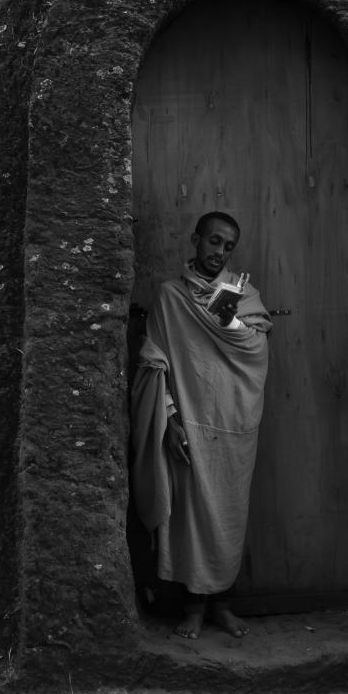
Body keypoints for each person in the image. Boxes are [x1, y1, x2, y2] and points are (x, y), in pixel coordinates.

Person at [129, 212, 272, 639]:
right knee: (190, 518)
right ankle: (193, 607)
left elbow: (257, 350)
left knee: (228, 515)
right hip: (189, 422)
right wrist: (171, 420)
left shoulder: (243, 295)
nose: (220, 252)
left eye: (228, 247)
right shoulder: (171, 297)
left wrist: (227, 316)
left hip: (233, 425)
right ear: (196, 240)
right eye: (214, 241)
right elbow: (156, 360)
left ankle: (222, 605)